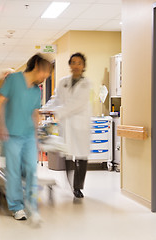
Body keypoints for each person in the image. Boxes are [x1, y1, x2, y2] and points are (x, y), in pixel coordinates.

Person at [0, 54, 52, 222]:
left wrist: (36, 136)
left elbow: (35, 113)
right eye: (45, 73)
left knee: (32, 171)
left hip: (28, 136)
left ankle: (32, 205)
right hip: (11, 134)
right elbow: (0, 101)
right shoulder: (13, 79)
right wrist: (1, 125)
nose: (46, 77)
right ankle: (16, 207)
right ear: (37, 67)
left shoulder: (36, 90)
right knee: (13, 172)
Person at [54, 52, 91, 199]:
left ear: (83, 66)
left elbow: (77, 103)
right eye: (73, 62)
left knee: (81, 156)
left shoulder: (87, 84)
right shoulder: (63, 82)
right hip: (67, 124)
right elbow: (56, 99)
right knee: (67, 155)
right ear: (69, 65)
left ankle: (78, 187)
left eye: (79, 63)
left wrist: (59, 111)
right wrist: (45, 109)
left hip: (80, 123)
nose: (76, 65)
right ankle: (71, 184)